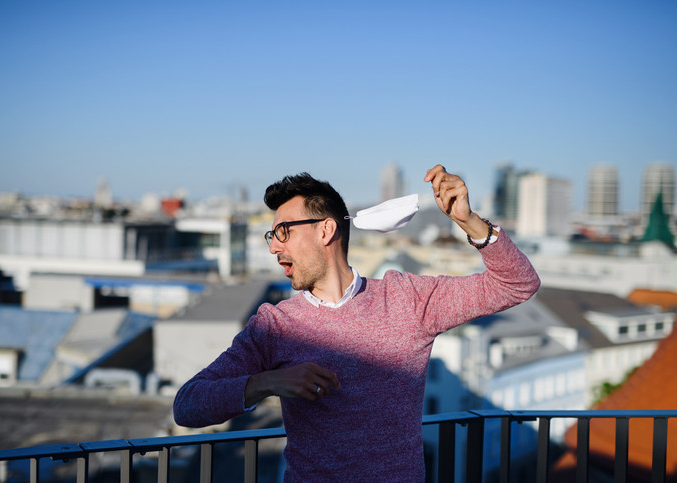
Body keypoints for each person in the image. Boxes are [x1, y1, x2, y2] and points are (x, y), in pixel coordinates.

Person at [173, 165, 540, 482]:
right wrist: (268, 382)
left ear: (325, 230)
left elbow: (518, 284)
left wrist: (469, 221)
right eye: (272, 236)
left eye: (283, 232)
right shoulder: (274, 325)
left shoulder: (407, 298)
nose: (274, 248)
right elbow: (187, 406)